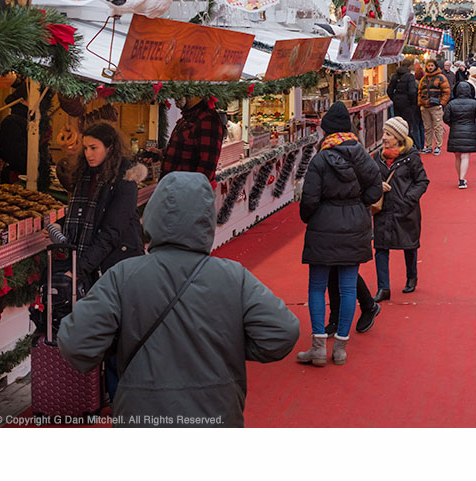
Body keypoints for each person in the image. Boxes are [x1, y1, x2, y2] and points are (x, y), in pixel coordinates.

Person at [57, 171, 299, 427]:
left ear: (153, 215)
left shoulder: (124, 276)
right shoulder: (233, 277)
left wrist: (119, 345)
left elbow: (76, 343)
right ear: (207, 219)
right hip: (216, 414)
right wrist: (231, 345)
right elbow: (282, 332)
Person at [297, 102, 384, 367]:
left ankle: (318, 346)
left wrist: (312, 216)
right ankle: (341, 348)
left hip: (324, 225)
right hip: (355, 224)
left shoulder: (321, 158)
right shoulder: (361, 154)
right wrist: (360, 205)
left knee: (317, 286)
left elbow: (309, 199)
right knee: (347, 288)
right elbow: (375, 187)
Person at [55, 121, 145, 295]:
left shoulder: (126, 179)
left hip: (118, 264)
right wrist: (61, 223)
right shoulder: (87, 174)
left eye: (94, 148)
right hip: (93, 264)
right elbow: (86, 214)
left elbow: (110, 233)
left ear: (109, 147)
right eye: (86, 148)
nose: (88, 153)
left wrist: (77, 271)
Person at [372, 117, 429, 299]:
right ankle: (383, 287)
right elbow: (369, 178)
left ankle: (411, 277)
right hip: (384, 208)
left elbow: (422, 181)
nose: (384, 138)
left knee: (409, 245)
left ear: (399, 137)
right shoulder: (377, 157)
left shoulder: (411, 157)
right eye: (384, 133)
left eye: (388, 134)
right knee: (381, 247)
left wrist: (408, 199)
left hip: (406, 209)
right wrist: (378, 185)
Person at [161, 95, 225, 180]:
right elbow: (184, 150)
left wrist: (192, 191)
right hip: (173, 188)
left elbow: (206, 168)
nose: (176, 95)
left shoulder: (208, 119)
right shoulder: (188, 116)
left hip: (185, 190)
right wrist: (161, 153)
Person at [443, 80, 476, 188]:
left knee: (457, 156)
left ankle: (460, 178)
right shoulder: (474, 103)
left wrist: (453, 124)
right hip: (469, 129)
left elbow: (445, 118)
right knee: (465, 156)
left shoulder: (452, 103)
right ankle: (462, 179)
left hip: (456, 129)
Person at [417, 58, 451, 155]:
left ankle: (438, 146)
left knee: (437, 127)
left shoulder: (441, 77)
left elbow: (446, 91)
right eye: (429, 65)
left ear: (435, 66)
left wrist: (442, 103)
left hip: (436, 106)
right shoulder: (424, 78)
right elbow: (419, 91)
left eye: (432, 65)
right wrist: (420, 103)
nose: (430, 67)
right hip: (425, 106)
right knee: (427, 127)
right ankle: (428, 146)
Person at [387, 60, 423, 151]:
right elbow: (412, 91)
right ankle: (409, 146)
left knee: (398, 124)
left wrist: (395, 98)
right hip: (407, 104)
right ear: (410, 66)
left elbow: (389, 90)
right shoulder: (410, 76)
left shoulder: (395, 76)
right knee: (408, 125)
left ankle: (399, 144)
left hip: (397, 103)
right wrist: (413, 103)